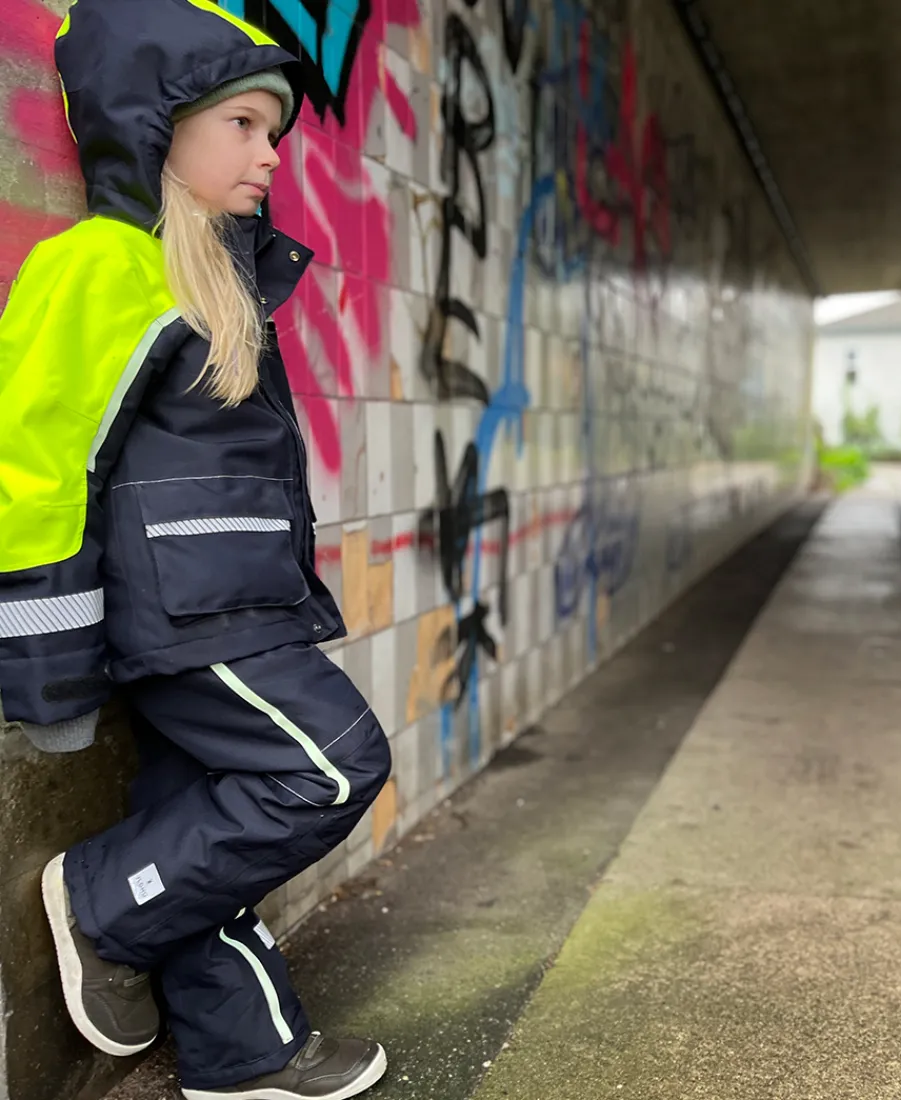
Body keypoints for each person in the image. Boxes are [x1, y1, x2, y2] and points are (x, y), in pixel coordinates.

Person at [0, 0, 391, 1096]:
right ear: (157, 124)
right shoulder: (104, 264)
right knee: (333, 765)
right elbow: (33, 462)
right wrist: (46, 659)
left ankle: (242, 1054)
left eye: (276, 132)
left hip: (233, 607)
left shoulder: (216, 280)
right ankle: (103, 904)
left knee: (196, 822)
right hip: (187, 618)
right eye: (244, 126)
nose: (271, 155)